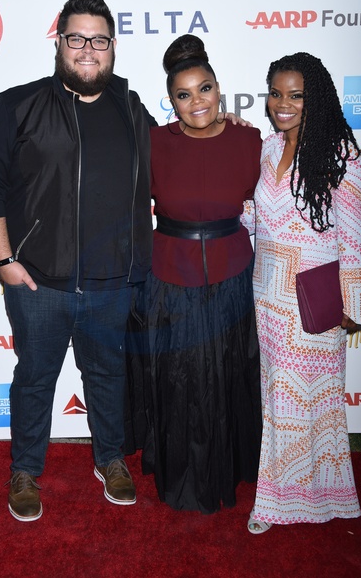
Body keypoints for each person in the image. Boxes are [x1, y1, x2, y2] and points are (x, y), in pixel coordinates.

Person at [0, 0, 156, 522]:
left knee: (108, 376)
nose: (88, 49)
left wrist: (221, 128)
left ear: (112, 46)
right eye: (77, 38)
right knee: (34, 379)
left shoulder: (133, 110)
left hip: (113, 284)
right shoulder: (17, 105)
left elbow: (179, 157)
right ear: (60, 43)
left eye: (99, 39)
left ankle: (110, 459)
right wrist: (5, 263)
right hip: (39, 284)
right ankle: (25, 470)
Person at [243, 52, 361, 533]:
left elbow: (355, 237)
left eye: (296, 95)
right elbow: (258, 217)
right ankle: (293, 496)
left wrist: (354, 305)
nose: (282, 104)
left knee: (309, 400)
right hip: (267, 294)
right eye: (276, 94)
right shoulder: (268, 149)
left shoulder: (341, 155)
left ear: (317, 99)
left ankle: (287, 503)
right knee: (277, 398)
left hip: (313, 297)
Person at [141, 35, 263, 514]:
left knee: (229, 376)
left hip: (233, 277)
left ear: (219, 89)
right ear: (171, 102)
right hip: (172, 279)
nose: (197, 102)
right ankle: (182, 476)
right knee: (181, 382)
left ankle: (230, 468)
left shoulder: (249, 140)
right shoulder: (154, 143)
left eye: (205, 89)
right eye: (184, 94)